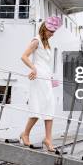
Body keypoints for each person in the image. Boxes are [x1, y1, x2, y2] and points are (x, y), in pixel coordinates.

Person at [19, 16, 62, 152]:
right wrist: (33, 68)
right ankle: (25, 133)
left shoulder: (47, 44)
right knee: (37, 108)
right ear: (44, 29)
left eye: (54, 32)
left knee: (49, 107)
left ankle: (48, 139)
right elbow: (24, 56)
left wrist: (52, 78)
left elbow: (46, 64)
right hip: (38, 79)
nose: (52, 34)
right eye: (50, 31)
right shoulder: (36, 40)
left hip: (46, 79)